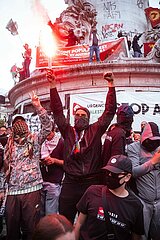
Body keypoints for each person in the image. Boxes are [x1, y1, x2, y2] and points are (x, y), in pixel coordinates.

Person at [46, 70, 116, 224]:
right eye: (77, 115)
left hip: (91, 183)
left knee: (91, 223)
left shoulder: (96, 130)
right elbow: (57, 112)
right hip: (70, 183)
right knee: (66, 221)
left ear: (88, 118)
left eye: (83, 115)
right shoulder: (68, 131)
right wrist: (52, 85)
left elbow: (109, 111)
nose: (79, 117)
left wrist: (111, 85)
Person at [0, 92, 52, 240]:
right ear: (12, 127)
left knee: (31, 228)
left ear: (27, 125)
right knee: (12, 228)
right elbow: (5, 169)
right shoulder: (8, 146)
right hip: (13, 192)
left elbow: (48, 127)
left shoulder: (34, 140)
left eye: (22, 122)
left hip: (32, 190)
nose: (19, 125)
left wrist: (38, 106)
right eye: (16, 123)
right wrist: (3, 189)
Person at [74, 154, 144, 240]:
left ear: (127, 177)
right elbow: (79, 223)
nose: (109, 176)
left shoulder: (135, 205)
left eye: (114, 174)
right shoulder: (92, 192)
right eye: (107, 172)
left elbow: (136, 236)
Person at [127, 122, 160, 240]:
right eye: (151, 140)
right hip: (143, 202)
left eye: (156, 140)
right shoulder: (134, 148)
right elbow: (133, 172)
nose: (154, 143)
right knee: (141, 236)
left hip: (158, 201)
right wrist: (153, 162)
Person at [40, 123, 64, 215]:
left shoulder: (61, 142)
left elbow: (67, 163)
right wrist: (42, 161)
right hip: (41, 182)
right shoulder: (41, 142)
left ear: (53, 131)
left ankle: (50, 229)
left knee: (50, 212)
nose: (47, 136)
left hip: (54, 183)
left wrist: (54, 160)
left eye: (49, 133)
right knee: (40, 212)